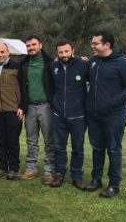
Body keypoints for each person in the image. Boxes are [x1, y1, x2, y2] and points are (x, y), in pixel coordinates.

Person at [85, 31, 126, 197]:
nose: (92, 46)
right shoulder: (93, 61)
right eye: (92, 43)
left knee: (113, 150)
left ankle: (114, 185)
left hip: (114, 115)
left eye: (95, 43)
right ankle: (96, 180)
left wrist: (111, 103)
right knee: (97, 148)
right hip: (94, 115)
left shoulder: (122, 63)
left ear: (107, 45)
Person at [49, 40, 88, 190]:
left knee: (78, 147)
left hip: (78, 116)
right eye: (61, 52)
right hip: (59, 115)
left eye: (66, 51)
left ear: (73, 50)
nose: (64, 55)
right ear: (57, 53)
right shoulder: (53, 67)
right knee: (59, 147)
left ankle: (77, 176)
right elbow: (51, 87)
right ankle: (59, 173)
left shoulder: (83, 65)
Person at [20, 35, 55, 185]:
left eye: (34, 44)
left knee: (49, 140)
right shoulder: (23, 64)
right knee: (31, 140)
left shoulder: (51, 63)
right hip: (29, 107)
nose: (31, 47)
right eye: (28, 45)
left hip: (46, 106)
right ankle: (31, 168)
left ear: (41, 45)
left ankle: (49, 171)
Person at [0, 43, 24, 181]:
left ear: (8, 52)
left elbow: (23, 87)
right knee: (1, 141)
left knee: (13, 141)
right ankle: (2, 167)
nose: (0, 55)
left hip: (14, 111)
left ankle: (14, 169)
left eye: (2, 52)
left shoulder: (17, 66)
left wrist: (22, 106)